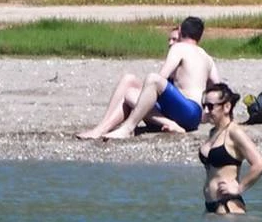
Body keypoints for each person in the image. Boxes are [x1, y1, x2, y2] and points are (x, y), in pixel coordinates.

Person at [75, 16, 222, 139]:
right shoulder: (207, 58)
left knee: (153, 79)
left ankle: (128, 128)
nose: (171, 43)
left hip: (188, 110)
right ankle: (101, 129)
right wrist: (210, 115)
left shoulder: (179, 48)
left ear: (180, 31)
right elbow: (219, 89)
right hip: (190, 115)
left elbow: (161, 77)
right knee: (129, 86)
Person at [199, 82, 262, 214]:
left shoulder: (234, 132)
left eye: (210, 106)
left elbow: (260, 165)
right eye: (204, 106)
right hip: (211, 206)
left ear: (227, 107)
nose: (206, 110)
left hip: (228, 206)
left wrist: (239, 188)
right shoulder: (213, 132)